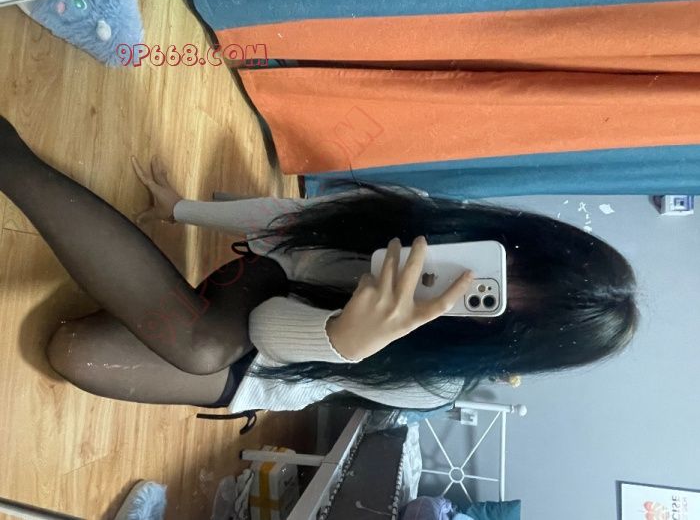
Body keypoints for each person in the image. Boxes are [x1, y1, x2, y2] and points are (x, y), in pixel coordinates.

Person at [0, 116, 639, 423]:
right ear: (513, 238)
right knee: (199, 344)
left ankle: (146, 303)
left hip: (274, 366)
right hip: (260, 289)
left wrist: (343, 342)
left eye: (490, 306)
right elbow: (286, 222)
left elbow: (272, 339)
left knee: (74, 350)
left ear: (509, 345)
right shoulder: (410, 215)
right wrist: (182, 210)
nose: (459, 289)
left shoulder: (431, 384)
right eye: (503, 266)